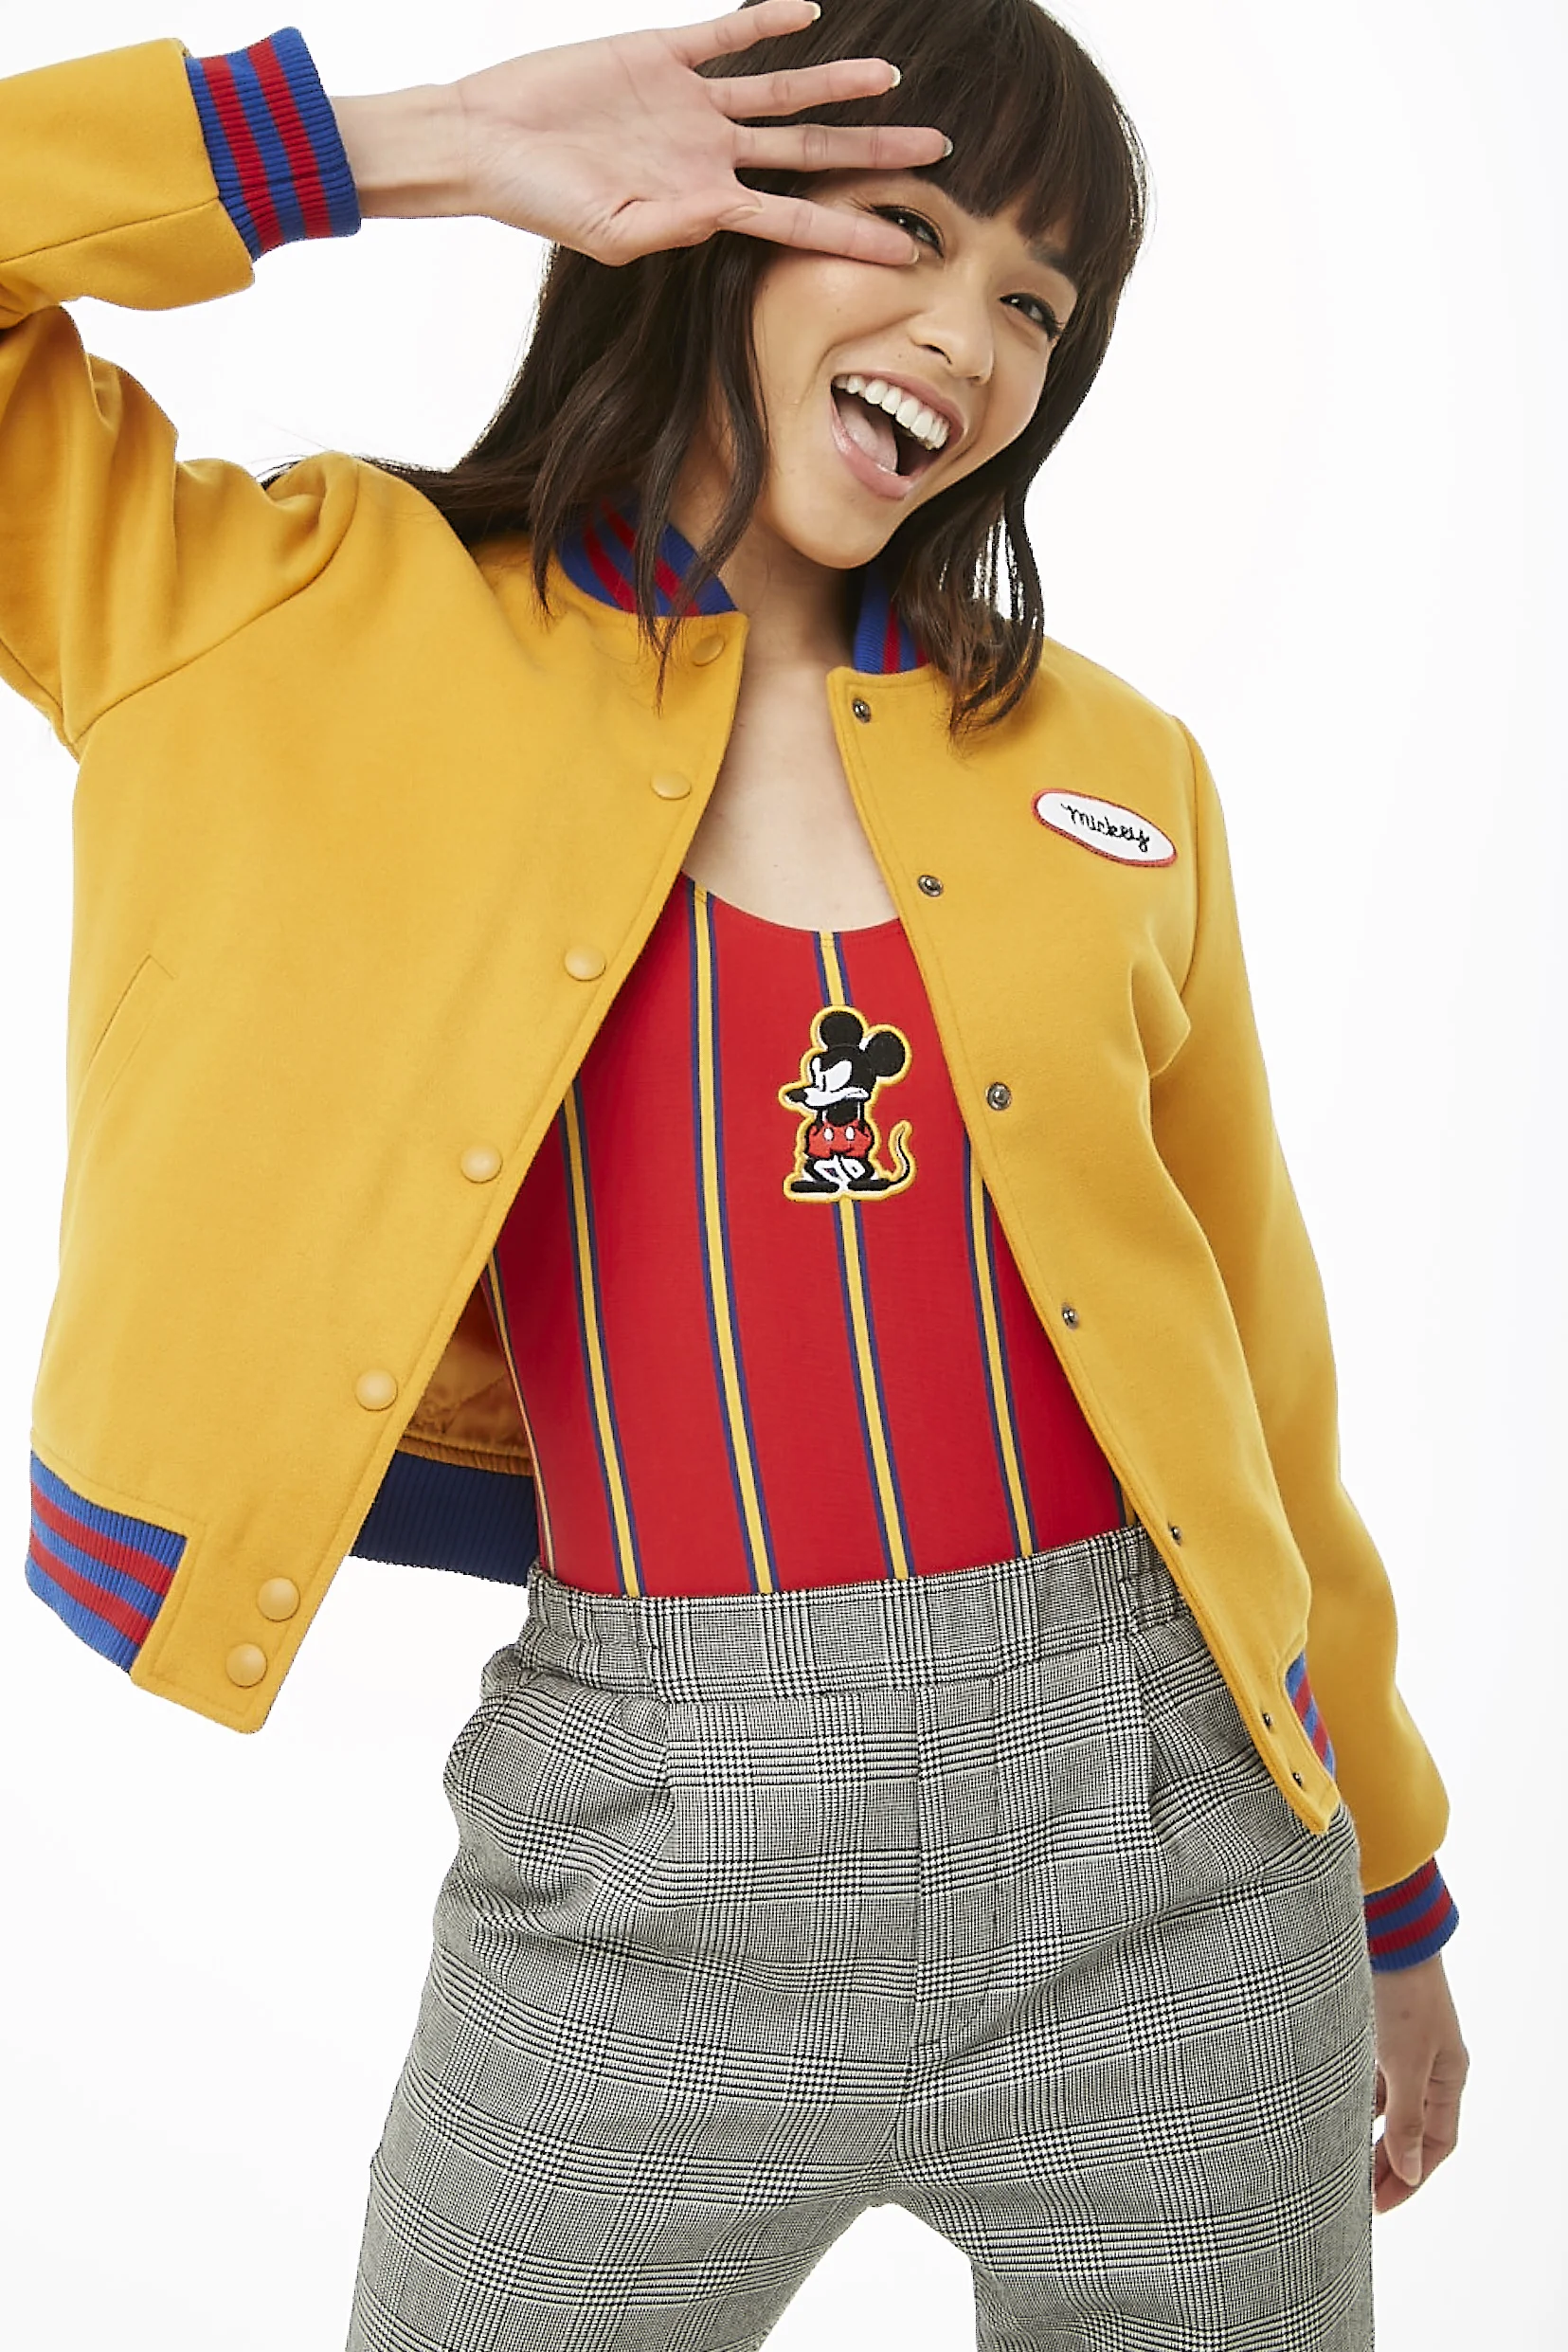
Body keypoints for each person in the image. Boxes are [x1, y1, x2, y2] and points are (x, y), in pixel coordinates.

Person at [2, 2, 1469, 2345]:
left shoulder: (1113, 765)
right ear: (708, 211)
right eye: (909, 228)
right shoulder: (285, 613)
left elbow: (1254, 1373)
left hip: (1178, 1854)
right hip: (630, 1852)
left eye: (1035, 301)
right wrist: (421, 145)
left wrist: (1386, 1879)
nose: (970, 341)